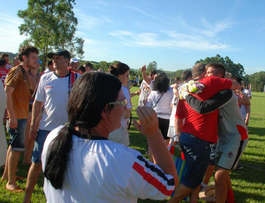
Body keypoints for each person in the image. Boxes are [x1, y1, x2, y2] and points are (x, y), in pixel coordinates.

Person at [41, 72, 178, 202]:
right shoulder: (120, 158)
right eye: (122, 103)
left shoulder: (54, 135)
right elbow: (169, 184)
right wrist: (154, 135)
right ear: (105, 110)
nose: (125, 109)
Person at [168, 63, 240, 203]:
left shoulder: (185, 89)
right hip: (200, 140)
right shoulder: (212, 82)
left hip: (186, 136)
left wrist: (178, 137)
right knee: (193, 179)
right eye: (206, 72)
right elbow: (236, 85)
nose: (207, 75)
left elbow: (178, 118)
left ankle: (193, 201)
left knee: (195, 175)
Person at [23, 49, 80, 203]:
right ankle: (27, 198)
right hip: (45, 129)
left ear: (67, 61)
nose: (54, 60)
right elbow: (37, 103)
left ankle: (56, 197)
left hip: (68, 130)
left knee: (64, 165)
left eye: (58, 58)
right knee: (36, 164)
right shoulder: (45, 78)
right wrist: (34, 124)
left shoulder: (78, 79)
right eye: (53, 58)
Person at [1, 45, 39, 192]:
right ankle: (10, 182)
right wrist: (12, 116)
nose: (36, 60)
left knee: (13, 146)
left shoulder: (26, 73)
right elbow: (7, 93)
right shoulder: (16, 71)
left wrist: (34, 72)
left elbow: (35, 88)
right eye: (33, 58)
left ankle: (6, 176)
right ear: (25, 58)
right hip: (17, 116)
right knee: (17, 148)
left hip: (22, 114)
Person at [107, 62, 132, 146]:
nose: (128, 78)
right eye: (127, 75)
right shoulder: (124, 90)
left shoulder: (102, 87)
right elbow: (126, 115)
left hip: (102, 129)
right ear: (120, 75)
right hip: (118, 128)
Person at [146, 73, 174, 149]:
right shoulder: (172, 91)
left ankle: (151, 155)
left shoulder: (153, 92)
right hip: (167, 118)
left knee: (153, 138)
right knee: (166, 138)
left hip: (155, 117)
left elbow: (148, 105)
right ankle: (163, 151)